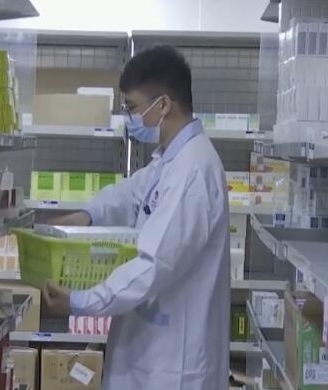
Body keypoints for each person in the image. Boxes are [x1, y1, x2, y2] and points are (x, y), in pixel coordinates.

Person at [42, 45, 231, 390]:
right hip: (147, 346)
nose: (129, 118)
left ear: (163, 105)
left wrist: (81, 301)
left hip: (174, 363)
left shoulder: (194, 171)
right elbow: (132, 194)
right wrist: (88, 216)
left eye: (132, 108)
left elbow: (154, 264)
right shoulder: (169, 160)